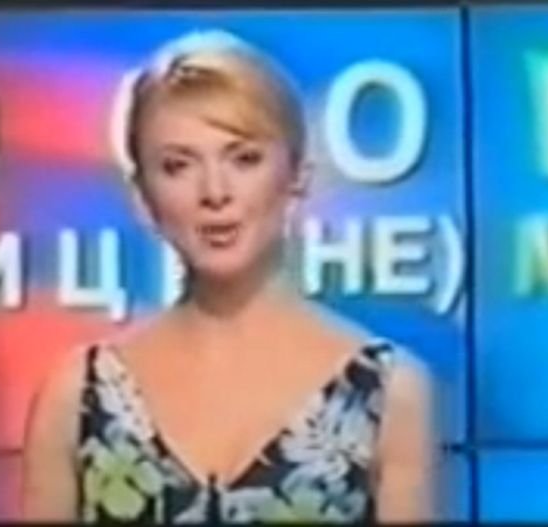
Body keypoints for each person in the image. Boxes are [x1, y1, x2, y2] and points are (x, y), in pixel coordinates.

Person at [23, 30, 435, 524]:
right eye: (178, 166)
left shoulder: (388, 394)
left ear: (297, 176)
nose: (215, 192)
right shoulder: (76, 397)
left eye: (244, 159)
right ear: (142, 196)